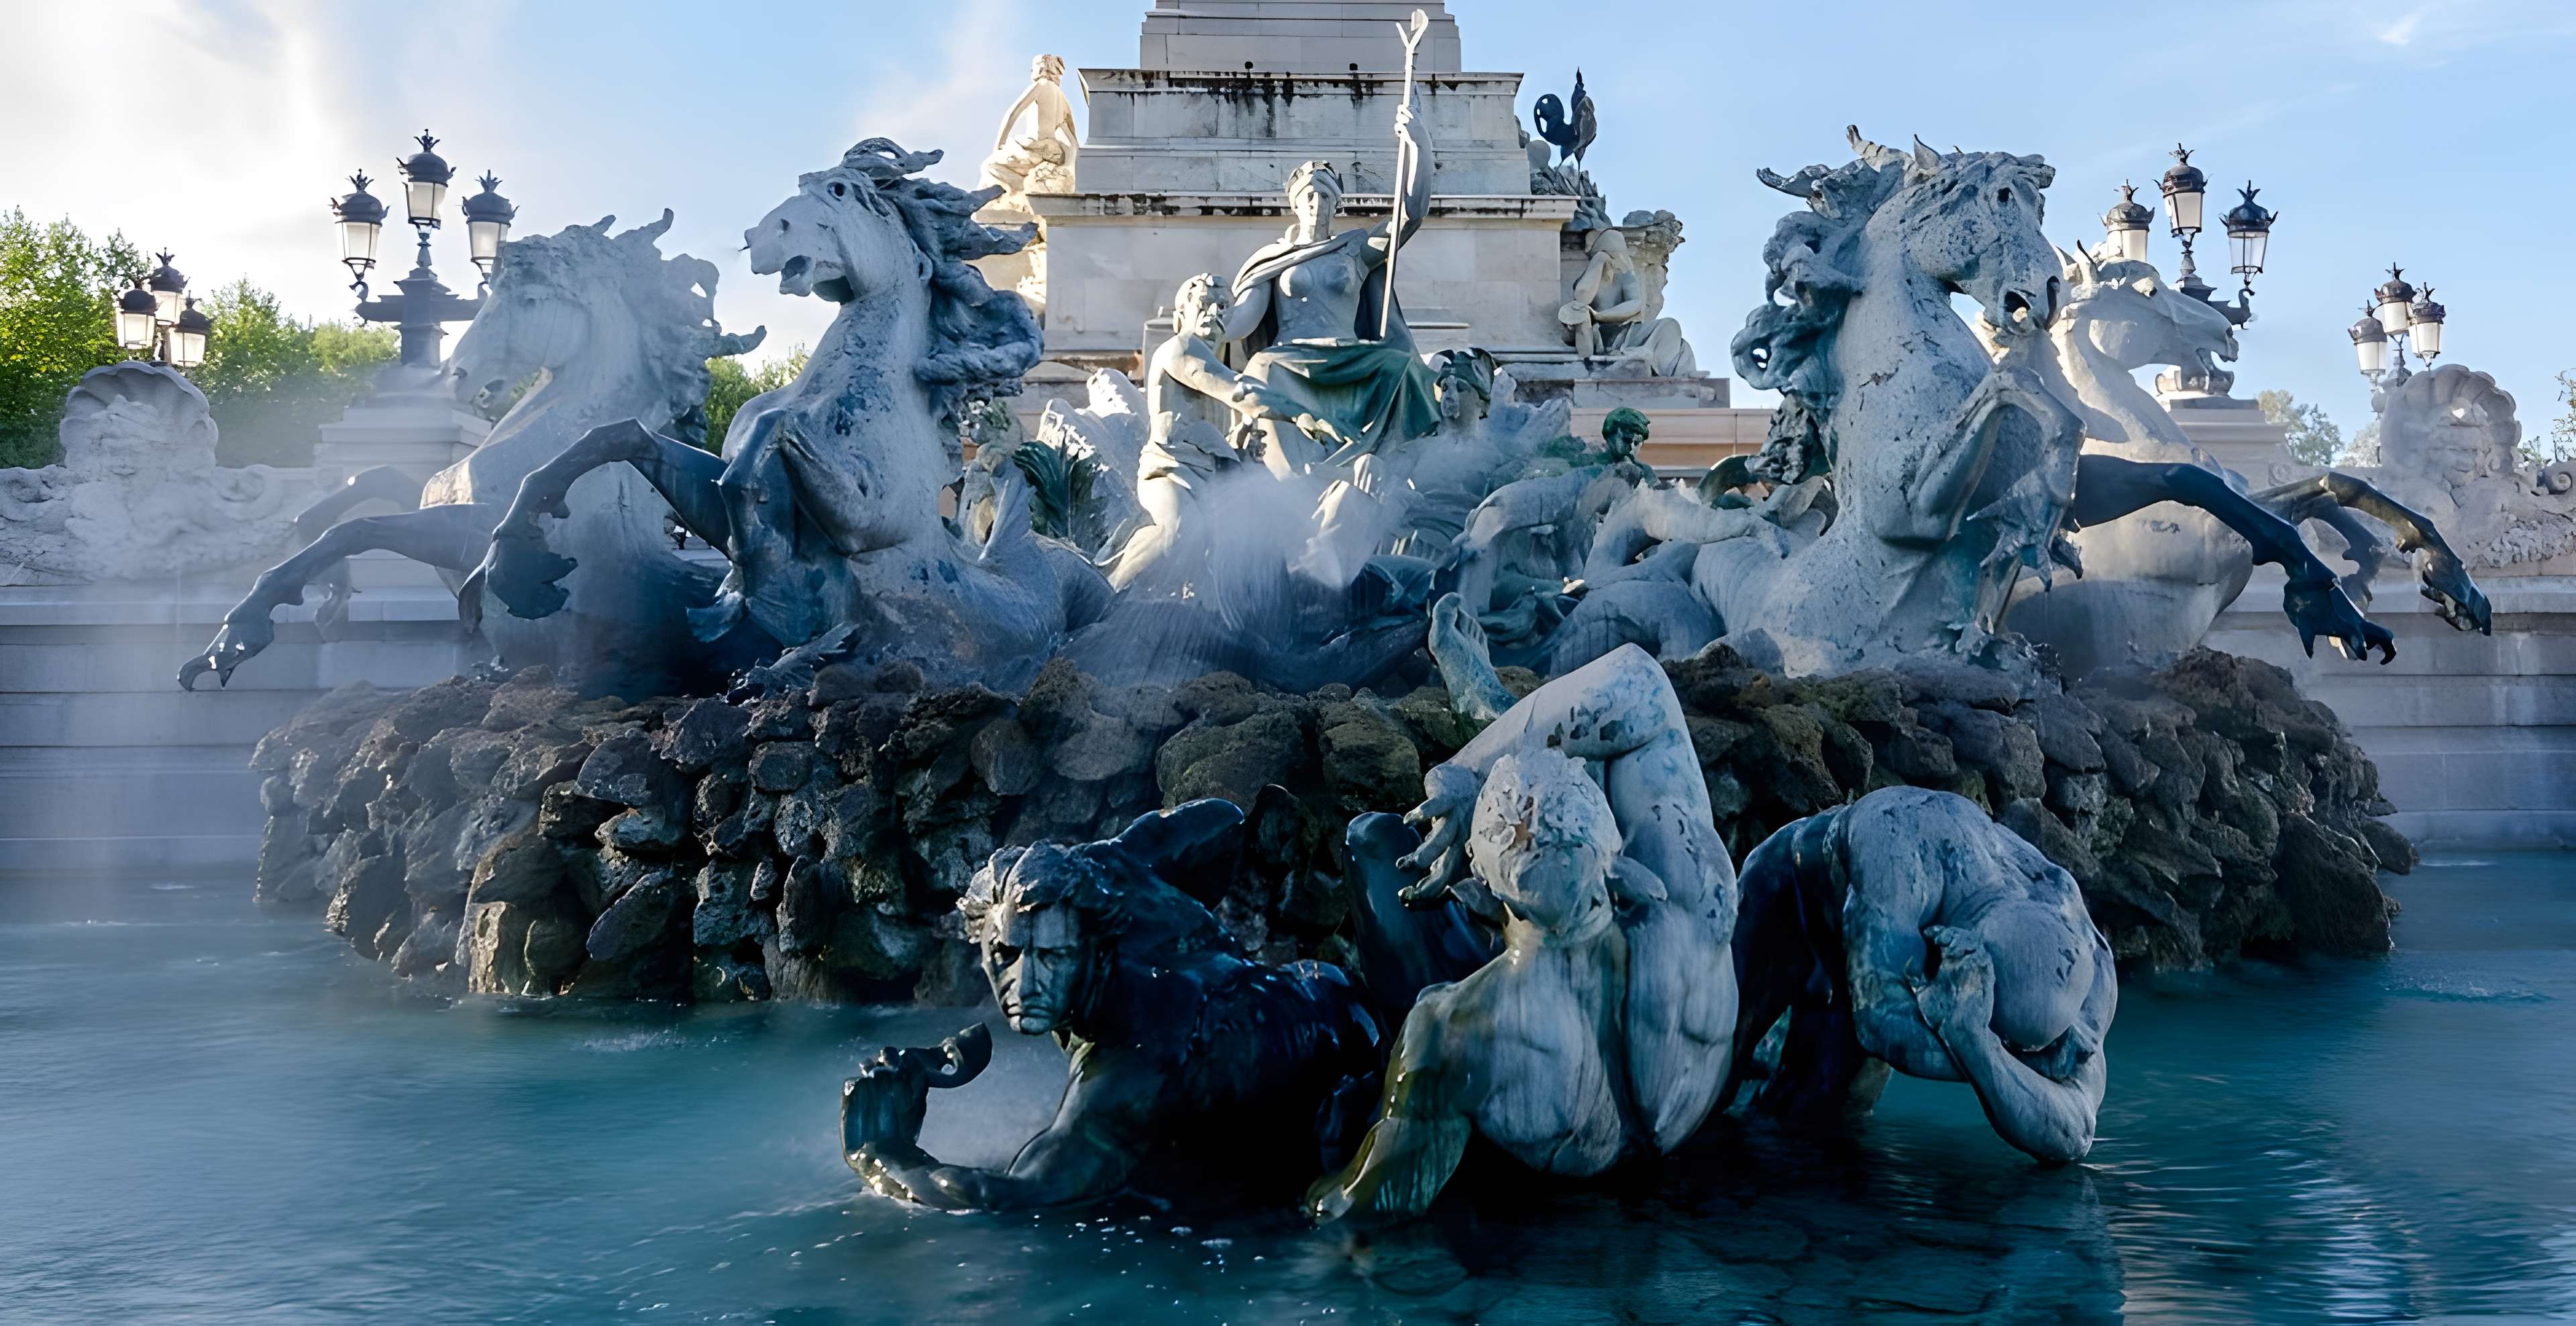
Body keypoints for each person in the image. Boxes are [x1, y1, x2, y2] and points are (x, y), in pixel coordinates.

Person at [1307, 619, 1738, 1224]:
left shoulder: (1453, 1030)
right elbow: (1640, 685)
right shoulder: (1697, 893)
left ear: (1476, 892)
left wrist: (1459, 777)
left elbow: (1361, 1212)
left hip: (1554, 1146)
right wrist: (1475, 771)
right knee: (1591, 753)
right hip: (1683, 1110)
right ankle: (1486, 704)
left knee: (1375, 842)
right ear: (1619, 855)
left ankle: (1481, 725)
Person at [1726, 786, 2116, 1164]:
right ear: (1960, 954)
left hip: (1894, 938)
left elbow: (2075, 1134)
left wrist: (1976, 1041)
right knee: (1724, 1057)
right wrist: (1986, 1050)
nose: (2026, 1054)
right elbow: (1877, 1022)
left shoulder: (2091, 961)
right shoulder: (1900, 845)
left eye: (2030, 1048)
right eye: (2008, 1039)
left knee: (1826, 1116)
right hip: (1794, 878)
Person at [1218, 103, 1441, 478]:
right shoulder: (1274, 259)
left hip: (1348, 356)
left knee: (1400, 367)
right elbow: (1243, 320)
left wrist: (1420, 145)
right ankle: (1288, 480)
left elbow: (1409, 215)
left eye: (1325, 197)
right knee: (1261, 368)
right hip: (1291, 357)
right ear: (1296, 204)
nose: (1316, 204)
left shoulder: (1356, 249)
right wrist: (1209, 325)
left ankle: (1397, 468)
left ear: (1336, 204)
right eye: (1309, 197)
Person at [1104, 274, 1344, 594]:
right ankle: (1108, 596)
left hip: (1215, 481)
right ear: (1181, 316)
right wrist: (1302, 414)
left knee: (1257, 547)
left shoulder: (1217, 363)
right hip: (1171, 471)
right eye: (1204, 304)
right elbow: (1238, 391)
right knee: (1178, 534)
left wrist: (1240, 447)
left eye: (1222, 306)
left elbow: (1215, 427)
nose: (1214, 312)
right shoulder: (1180, 348)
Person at [979, 54, 1079, 208]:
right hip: (1056, 151)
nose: (1032, 71)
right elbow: (1072, 134)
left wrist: (998, 146)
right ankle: (1029, 189)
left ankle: (1024, 188)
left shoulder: (1041, 86)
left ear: (1041, 68)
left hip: (1035, 148)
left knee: (990, 166)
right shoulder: (1063, 98)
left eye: (1034, 68)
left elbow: (1013, 113)